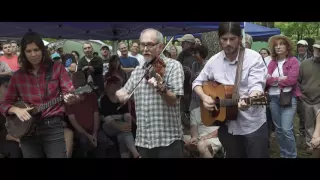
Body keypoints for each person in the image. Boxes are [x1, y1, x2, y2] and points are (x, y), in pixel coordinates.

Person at [192, 22, 269, 158]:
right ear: (219, 39)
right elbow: (197, 83)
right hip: (226, 126)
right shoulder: (214, 61)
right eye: (224, 39)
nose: (228, 43)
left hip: (252, 124)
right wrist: (205, 97)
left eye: (232, 39)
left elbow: (256, 86)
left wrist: (251, 97)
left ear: (240, 38)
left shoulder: (253, 58)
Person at [0, 32, 78, 158]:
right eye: (28, 51)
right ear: (23, 53)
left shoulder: (57, 68)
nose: (33, 54)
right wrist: (15, 110)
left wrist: (72, 98)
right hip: (26, 129)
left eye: (36, 50)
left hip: (52, 126)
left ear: (42, 49)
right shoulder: (18, 76)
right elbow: (4, 103)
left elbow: (70, 93)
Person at [116, 28, 185, 158]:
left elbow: (173, 101)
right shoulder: (138, 70)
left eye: (150, 44)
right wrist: (120, 94)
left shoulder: (173, 66)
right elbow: (124, 91)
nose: (145, 48)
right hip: (144, 141)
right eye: (143, 44)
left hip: (168, 140)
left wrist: (161, 88)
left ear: (161, 46)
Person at [266, 34, 300, 158]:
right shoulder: (272, 62)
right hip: (273, 98)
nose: (278, 47)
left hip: (288, 98)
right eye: (276, 45)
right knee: (279, 130)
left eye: (281, 44)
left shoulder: (293, 61)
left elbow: (292, 80)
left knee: (286, 129)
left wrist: (274, 80)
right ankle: (284, 154)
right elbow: (266, 80)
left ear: (287, 46)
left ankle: (291, 156)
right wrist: (281, 79)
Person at [298, 40, 320, 155]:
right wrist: (301, 96)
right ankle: (310, 145)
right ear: (313, 49)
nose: (318, 51)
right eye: (316, 48)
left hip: (319, 100)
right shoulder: (304, 64)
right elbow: (298, 82)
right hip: (306, 100)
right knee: (308, 124)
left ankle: (318, 145)